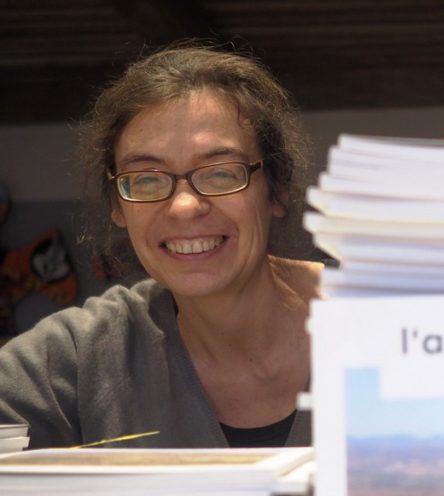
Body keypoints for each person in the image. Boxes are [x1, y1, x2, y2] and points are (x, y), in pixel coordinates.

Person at [0, 44, 322, 449]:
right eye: (147, 179)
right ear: (118, 205)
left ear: (277, 191)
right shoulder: (79, 359)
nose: (185, 206)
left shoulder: (388, 322)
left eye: (221, 173)